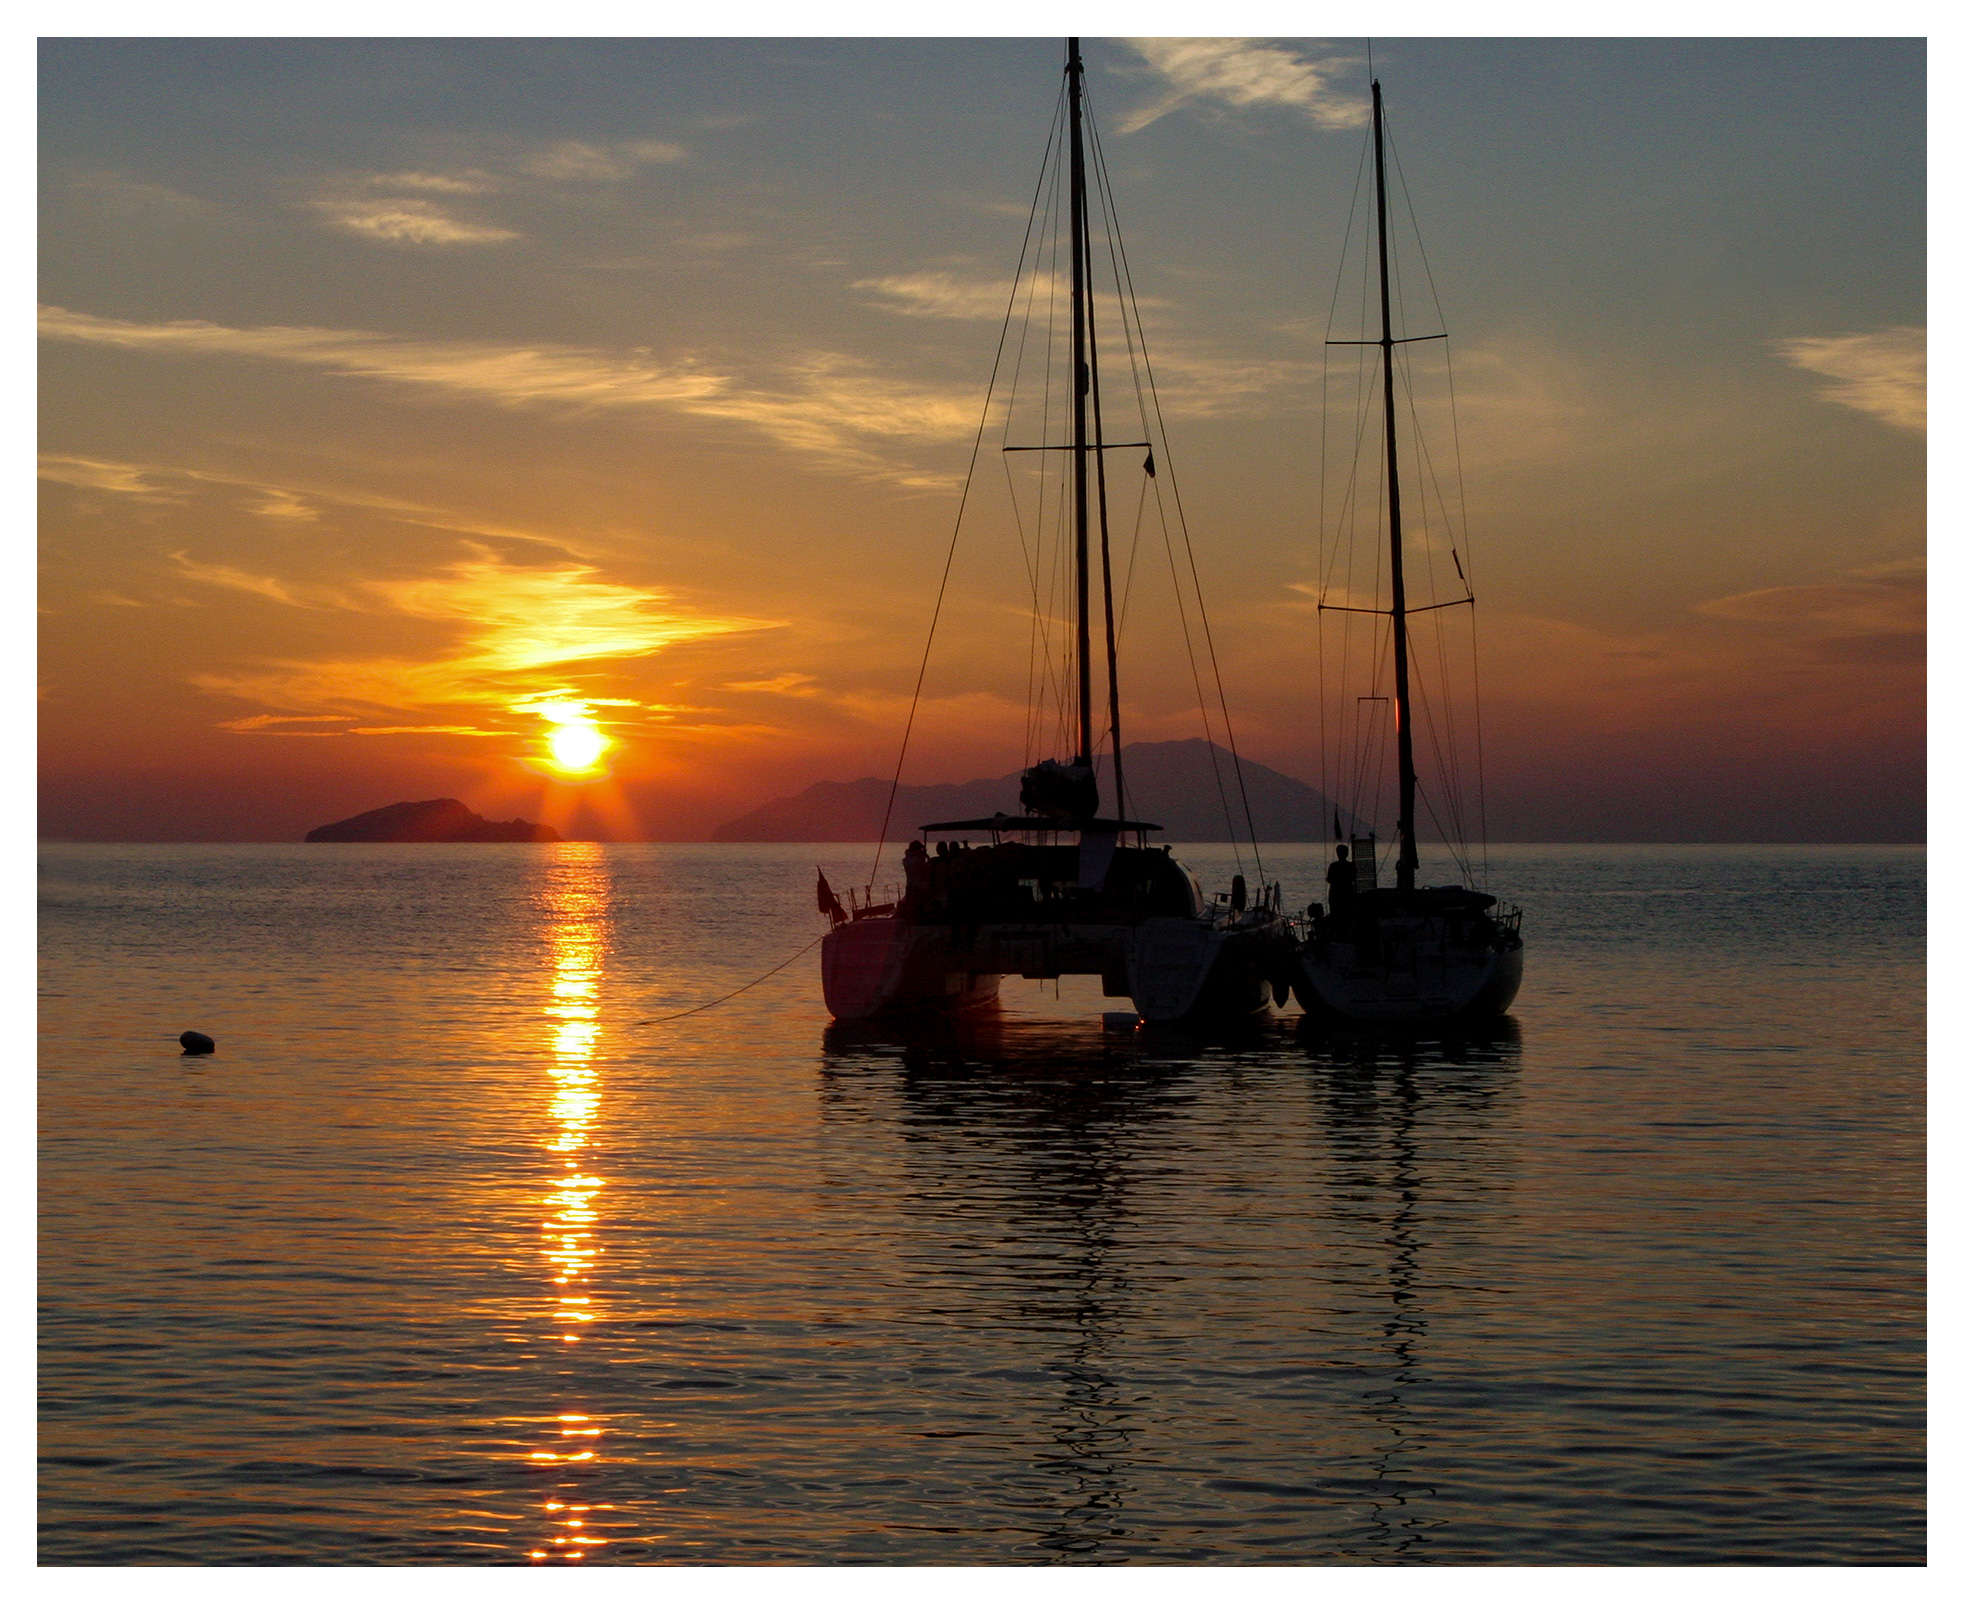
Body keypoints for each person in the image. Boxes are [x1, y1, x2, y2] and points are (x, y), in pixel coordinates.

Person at [1325, 843, 1356, 918]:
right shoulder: (1350, 866)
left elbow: (1329, 879)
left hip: (1336, 894)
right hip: (1347, 893)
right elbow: (1354, 877)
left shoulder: (1333, 866)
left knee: (1336, 915)